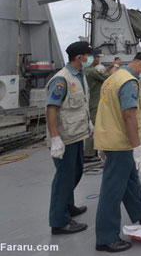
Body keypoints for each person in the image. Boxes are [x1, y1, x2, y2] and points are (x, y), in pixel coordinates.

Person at [94, 52, 141, 252]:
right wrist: (137, 147)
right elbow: (129, 115)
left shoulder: (114, 77)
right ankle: (106, 238)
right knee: (112, 191)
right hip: (120, 143)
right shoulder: (129, 82)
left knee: (129, 179)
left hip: (110, 138)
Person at [46, 41, 94, 235]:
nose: (91, 58)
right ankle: (59, 221)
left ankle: (68, 205)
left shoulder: (79, 76)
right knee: (63, 179)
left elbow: (81, 104)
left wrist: (88, 122)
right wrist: (55, 138)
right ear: (79, 57)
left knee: (76, 172)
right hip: (64, 138)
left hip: (77, 135)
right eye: (88, 55)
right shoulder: (62, 80)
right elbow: (52, 109)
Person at [83, 49, 115, 163]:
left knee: (92, 127)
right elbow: (108, 78)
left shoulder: (86, 70)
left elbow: (102, 75)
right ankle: (88, 154)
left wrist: (110, 67)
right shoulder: (92, 71)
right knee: (94, 128)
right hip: (94, 103)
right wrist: (115, 68)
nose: (98, 59)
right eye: (97, 57)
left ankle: (91, 151)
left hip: (90, 102)